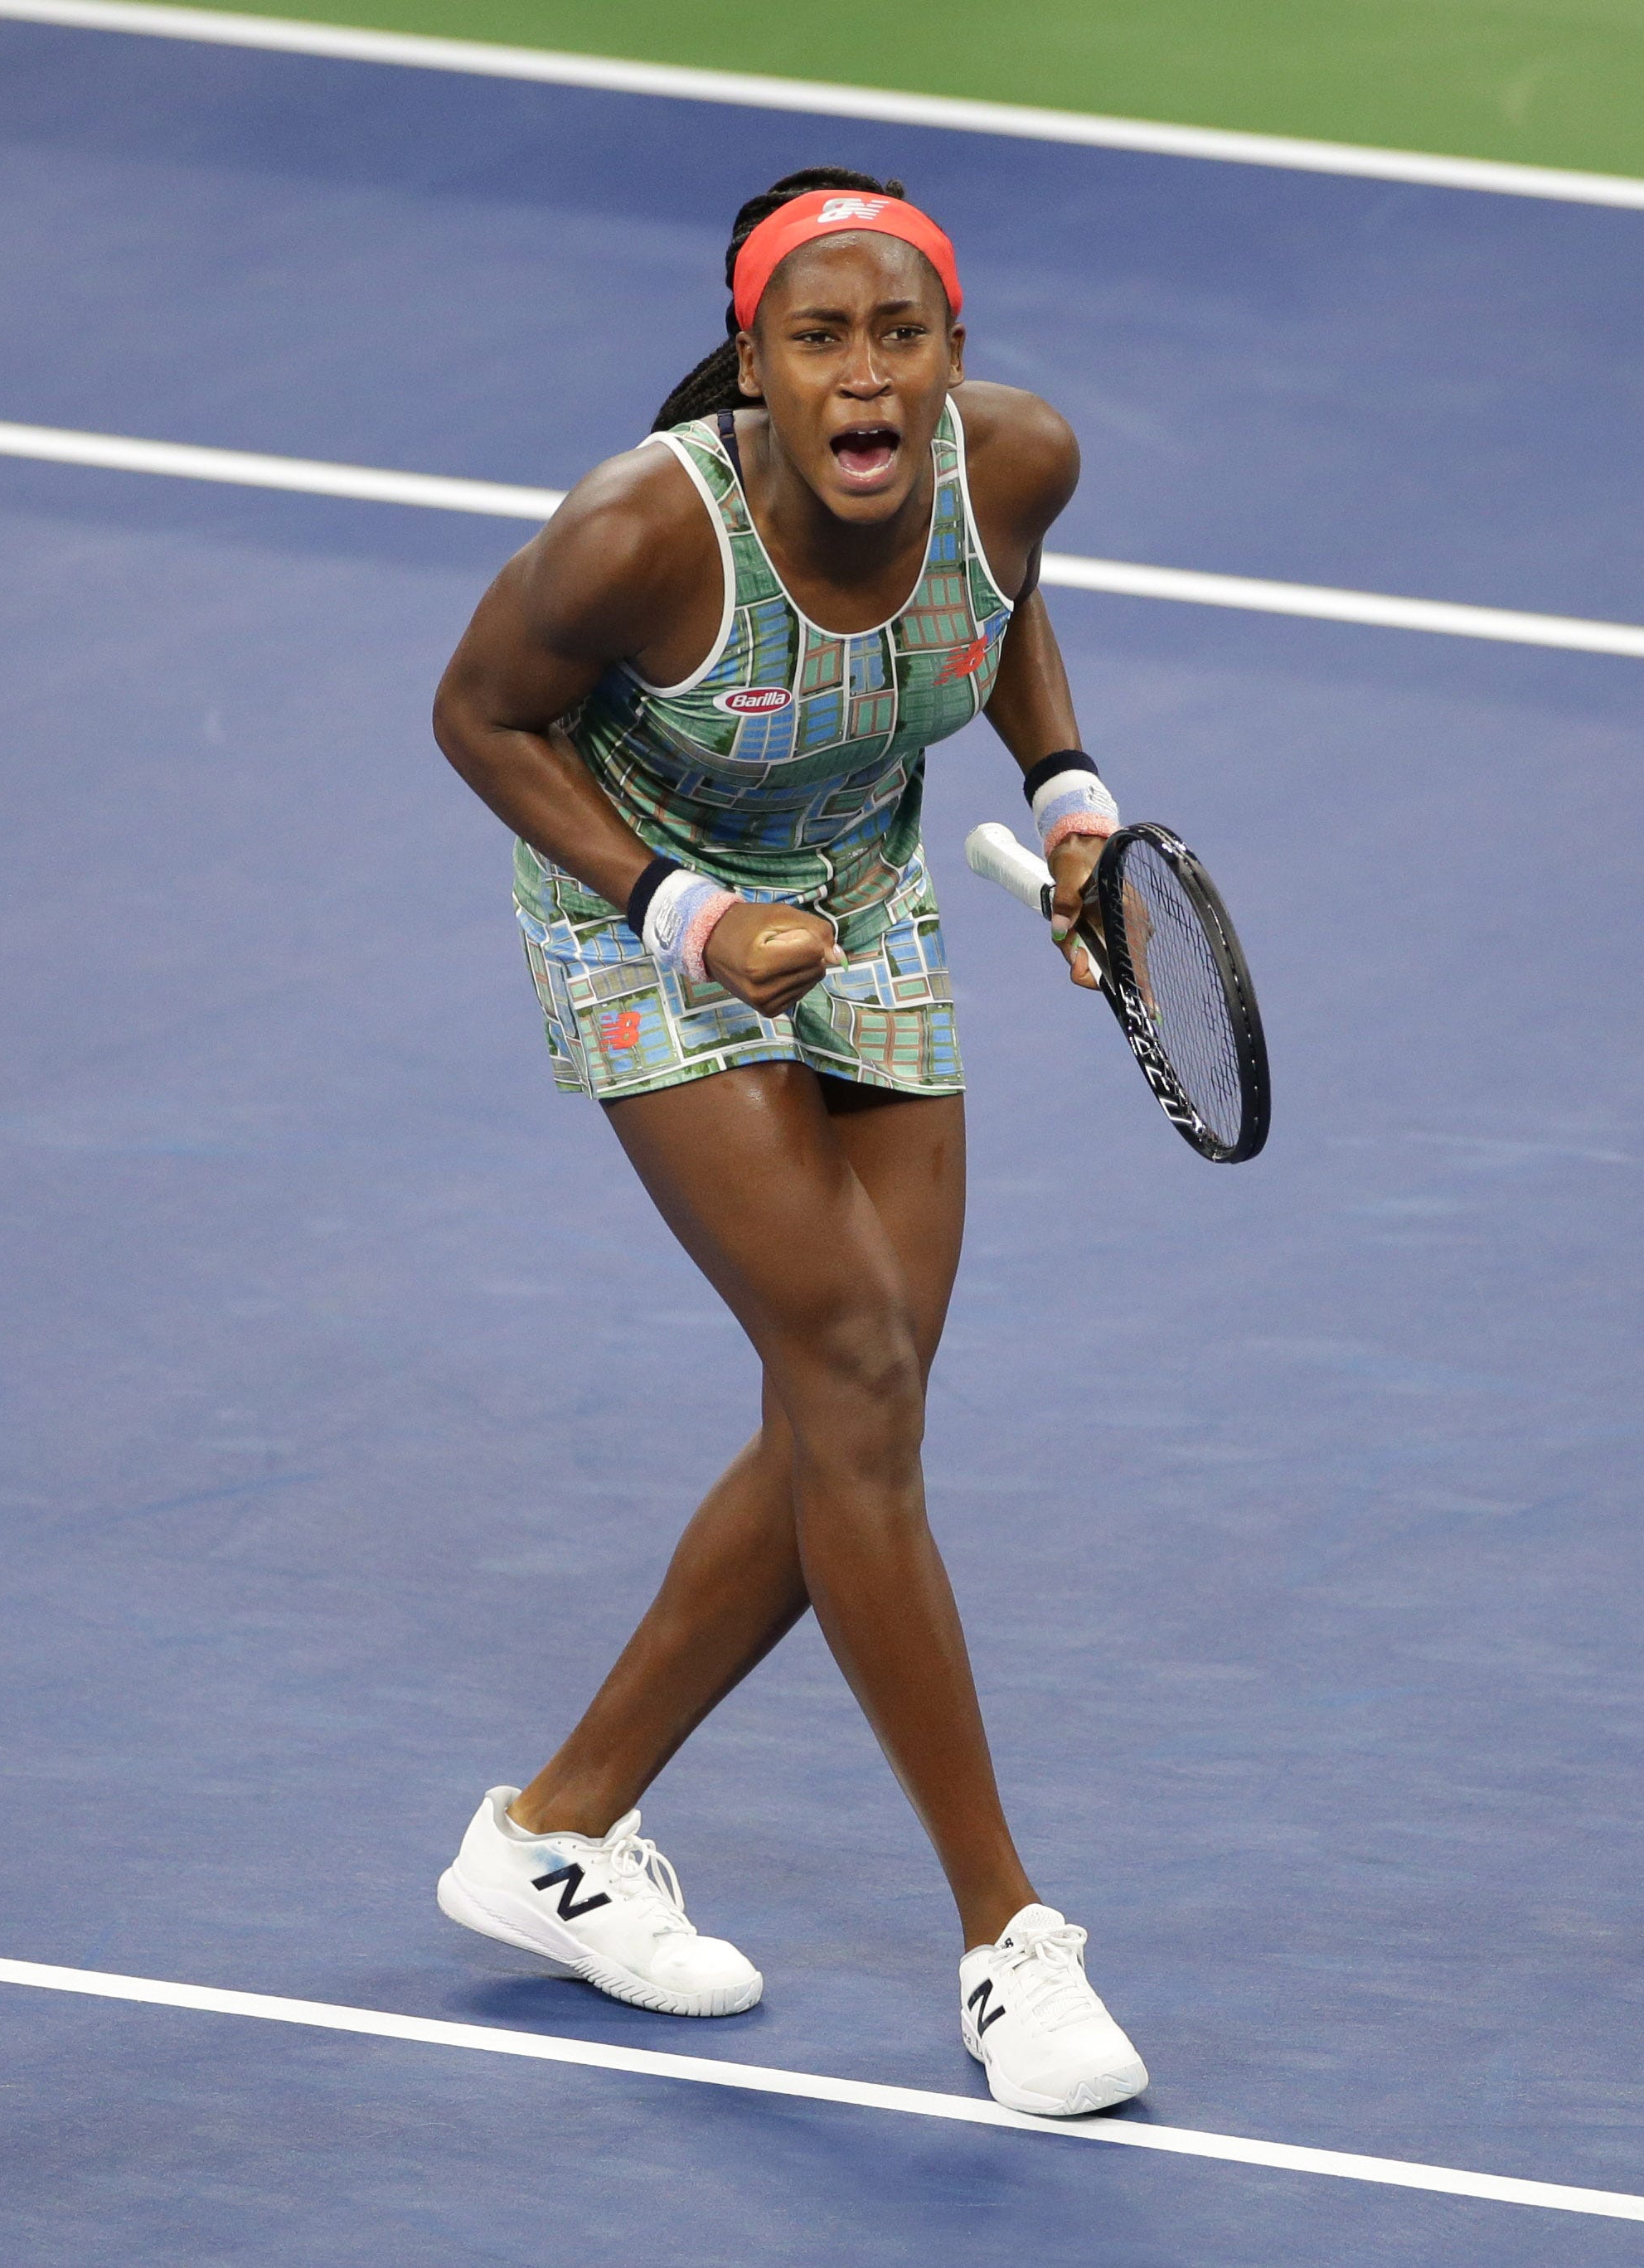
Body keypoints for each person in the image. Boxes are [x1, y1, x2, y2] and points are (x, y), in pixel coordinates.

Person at [430, 166, 1147, 2116]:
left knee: (858, 1411)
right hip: (639, 918)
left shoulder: (1019, 460)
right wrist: (686, 916)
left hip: (864, 889)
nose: (865, 374)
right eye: (818, 338)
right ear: (753, 366)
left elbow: (998, 595)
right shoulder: (636, 535)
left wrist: (1070, 803)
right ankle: (1008, 1939)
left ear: (952, 357)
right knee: (853, 1371)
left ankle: (552, 1833)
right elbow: (479, 716)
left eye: (900, 336)